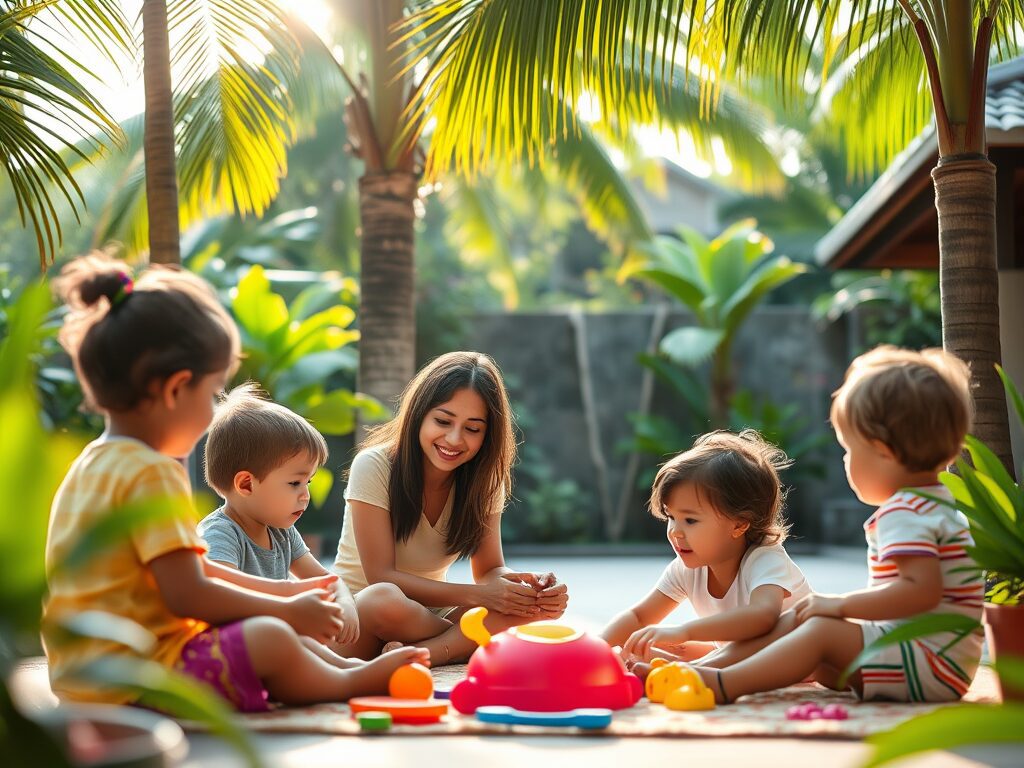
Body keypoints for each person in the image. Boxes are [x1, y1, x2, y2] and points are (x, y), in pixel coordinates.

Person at [42, 254, 426, 713]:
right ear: (175, 389)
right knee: (270, 634)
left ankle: (347, 672)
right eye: (210, 393)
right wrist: (283, 609)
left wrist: (285, 592)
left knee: (275, 627)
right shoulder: (151, 470)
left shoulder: (94, 462)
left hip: (90, 671)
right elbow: (188, 593)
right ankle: (346, 685)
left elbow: (191, 570)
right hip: (139, 675)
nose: (209, 415)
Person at [691, 346, 983, 704]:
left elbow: (918, 592)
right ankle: (707, 666)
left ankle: (724, 684)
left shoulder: (905, 511)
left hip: (927, 662)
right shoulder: (935, 501)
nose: (846, 461)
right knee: (804, 617)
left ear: (883, 452)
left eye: (849, 450)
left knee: (821, 628)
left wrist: (840, 606)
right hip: (932, 658)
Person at [330, 351, 569, 664]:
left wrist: (527, 589)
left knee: (529, 608)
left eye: (473, 428)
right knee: (383, 599)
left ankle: (420, 653)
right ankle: (454, 645)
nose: (454, 439)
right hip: (361, 617)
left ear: (488, 433)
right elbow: (381, 576)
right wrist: (482, 598)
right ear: (419, 415)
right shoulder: (375, 466)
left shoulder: (485, 481)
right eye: (443, 421)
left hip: (428, 614)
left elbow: (489, 570)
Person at [601, 430, 809, 673]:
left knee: (682, 640)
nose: (675, 532)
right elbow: (638, 617)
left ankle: (686, 671)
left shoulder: (765, 558)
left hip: (795, 653)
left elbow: (763, 617)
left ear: (739, 524)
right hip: (738, 654)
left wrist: (685, 631)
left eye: (690, 520)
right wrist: (596, 648)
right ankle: (669, 664)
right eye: (671, 517)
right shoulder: (686, 568)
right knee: (648, 643)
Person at [199, 383, 363, 660]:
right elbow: (222, 595)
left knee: (375, 600)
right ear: (246, 484)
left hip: (277, 640)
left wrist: (345, 601)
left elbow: (325, 580)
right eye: (295, 482)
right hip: (235, 651)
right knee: (291, 638)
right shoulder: (220, 534)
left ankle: (347, 669)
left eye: (307, 481)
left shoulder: (281, 532)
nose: (306, 495)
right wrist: (291, 605)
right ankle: (349, 673)